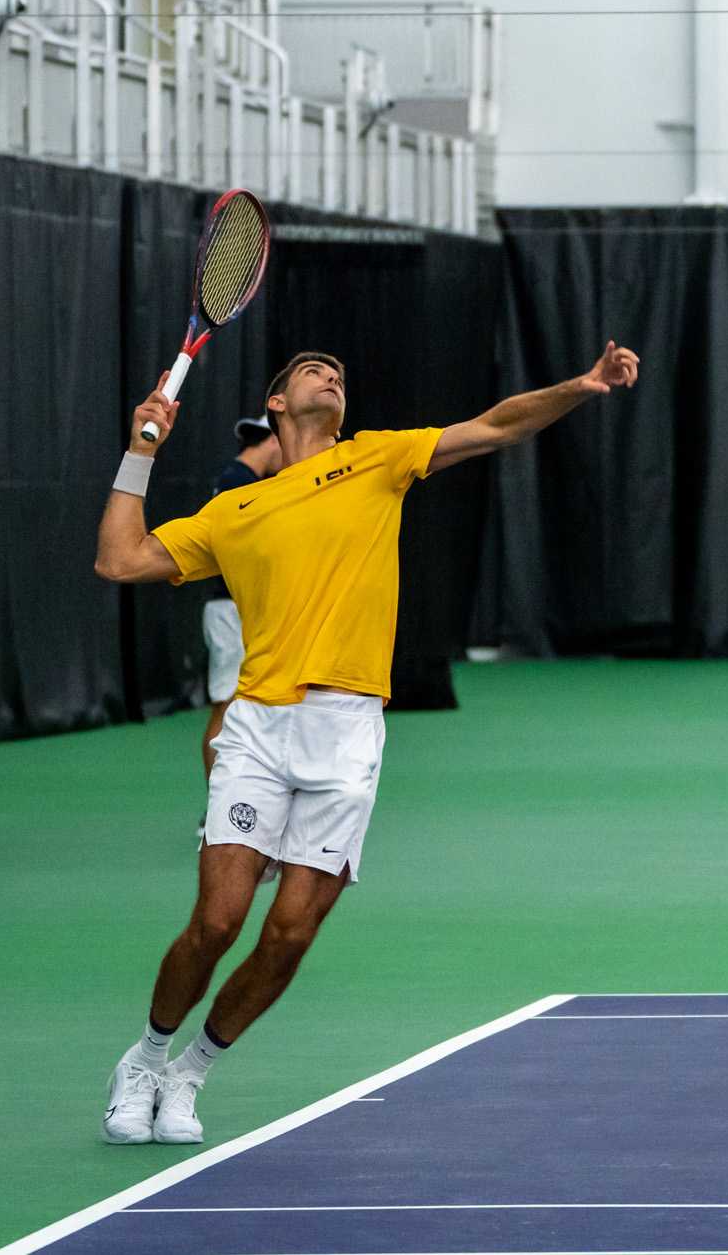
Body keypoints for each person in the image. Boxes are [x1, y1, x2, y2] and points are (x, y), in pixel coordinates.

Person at [91, 341, 639, 1146]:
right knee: (219, 919)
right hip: (258, 728)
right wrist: (141, 451)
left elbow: (495, 427)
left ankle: (192, 1072)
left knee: (290, 934)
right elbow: (119, 557)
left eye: (340, 371)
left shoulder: (379, 460)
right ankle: (145, 1056)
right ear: (277, 403)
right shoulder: (232, 512)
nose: (332, 374)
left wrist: (584, 386)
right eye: (312, 370)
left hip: (347, 733)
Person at [200, 415, 283, 781]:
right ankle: (216, 812)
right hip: (230, 609)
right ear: (273, 441)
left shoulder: (245, 481)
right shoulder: (238, 483)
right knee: (226, 707)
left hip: (244, 609)